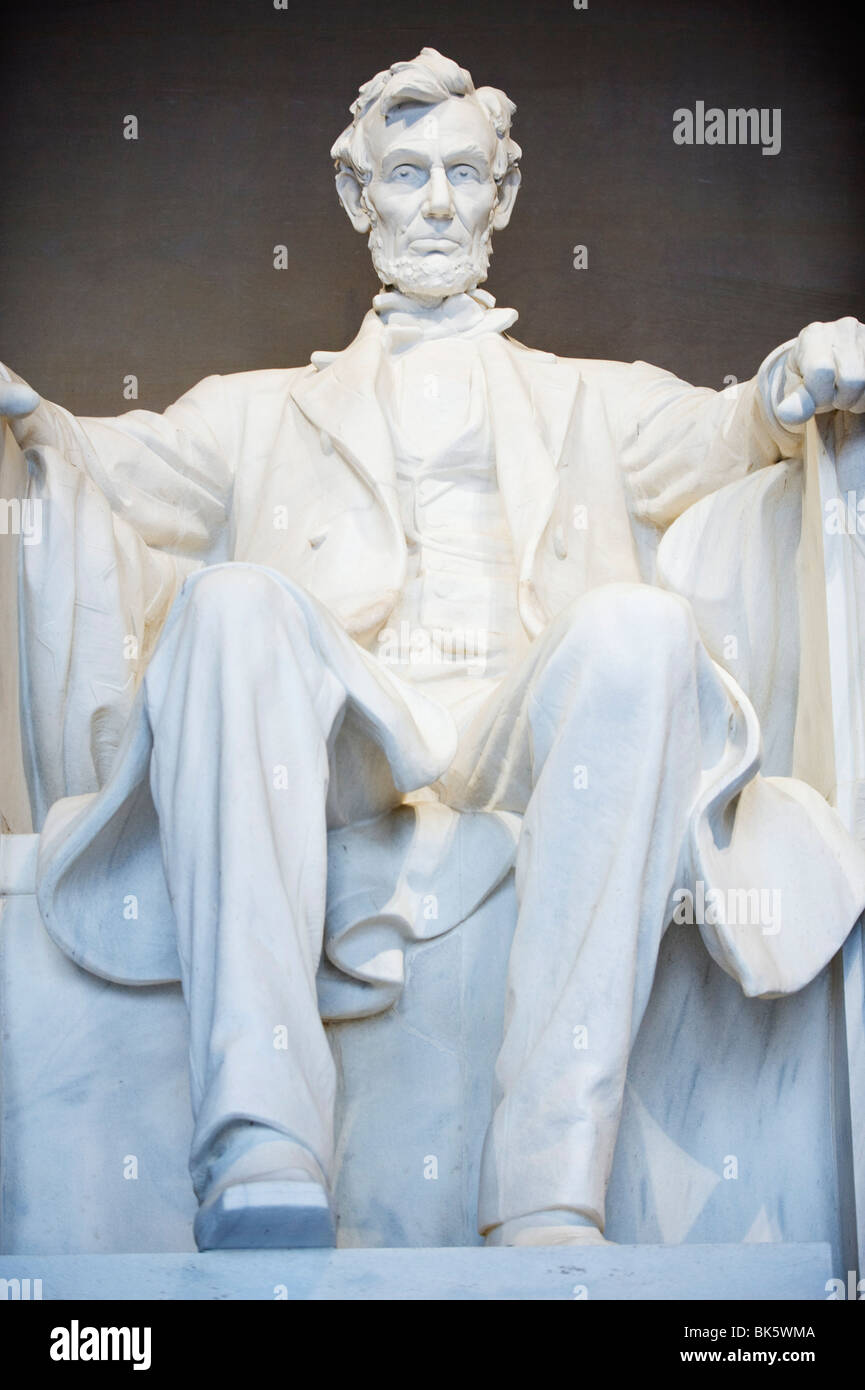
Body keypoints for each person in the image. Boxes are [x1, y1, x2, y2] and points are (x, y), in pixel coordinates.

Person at [2, 47, 864, 1251]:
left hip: (524, 728)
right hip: (350, 737)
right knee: (234, 606)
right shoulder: (259, 410)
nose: (441, 204)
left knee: (641, 627)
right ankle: (260, 1155)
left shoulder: (589, 397)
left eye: (466, 174)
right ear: (360, 201)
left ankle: (548, 1192)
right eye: (408, 175)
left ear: (504, 198)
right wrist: (24, 412)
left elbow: (727, 431)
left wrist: (787, 380)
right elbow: (102, 461)